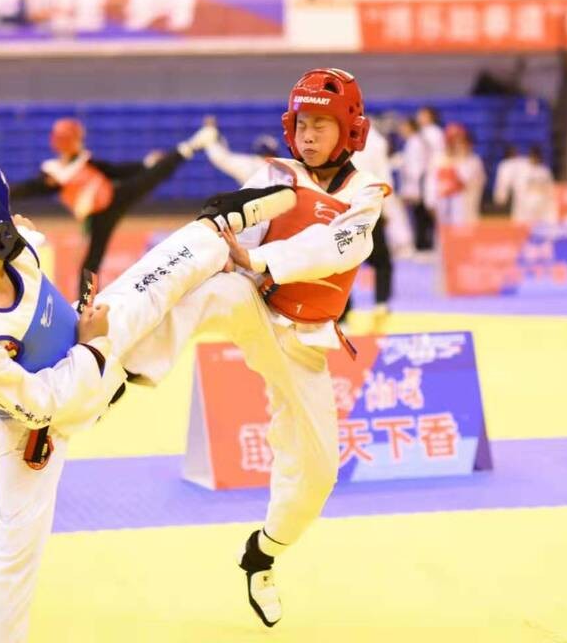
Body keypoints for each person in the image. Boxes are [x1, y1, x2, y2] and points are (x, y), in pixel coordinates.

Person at [0, 156, 296, 643]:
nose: (12, 220)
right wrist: (92, 343)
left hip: (88, 338)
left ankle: (218, 230)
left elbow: (24, 234)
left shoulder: (9, 247)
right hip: (33, 427)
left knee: (157, 280)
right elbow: (47, 405)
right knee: (17, 543)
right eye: (2, 213)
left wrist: (88, 335)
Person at [120, 68, 390, 628]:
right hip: (255, 303)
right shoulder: (276, 175)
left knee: (318, 473)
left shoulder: (365, 192)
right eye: (302, 124)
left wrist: (262, 258)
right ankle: (112, 366)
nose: (309, 135)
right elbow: (238, 235)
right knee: (207, 290)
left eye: (321, 125)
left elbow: (340, 246)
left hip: (304, 343)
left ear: (349, 130)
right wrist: (227, 240)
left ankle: (262, 556)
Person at [197, 116, 396, 327]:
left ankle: (346, 311)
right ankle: (377, 304)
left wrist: (211, 139)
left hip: (290, 217)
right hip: (336, 206)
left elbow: (222, 158)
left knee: (331, 258)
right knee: (348, 261)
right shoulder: (281, 171)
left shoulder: (266, 168)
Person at [12, 117, 210, 298]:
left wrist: (145, 163)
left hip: (115, 198)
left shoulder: (86, 161)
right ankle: (85, 301)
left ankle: (191, 145)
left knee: (152, 175)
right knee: (92, 260)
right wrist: (4, 191)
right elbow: (30, 188)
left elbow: (116, 171)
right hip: (97, 217)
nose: (80, 142)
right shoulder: (54, 174)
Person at [428, 122, 485, 226]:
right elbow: (431, 183)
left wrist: (458, 161)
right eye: (453, 141)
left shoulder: (473, 161)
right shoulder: (438, 159)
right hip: (443, 210)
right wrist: (431, 203)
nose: (457, 145)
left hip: (466, 212)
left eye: (461, 141)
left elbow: (466, 181)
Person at [397, 117, 433, 252]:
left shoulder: (415, 143)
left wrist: (412, 190)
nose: (401, 130)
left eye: (403, 127)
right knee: (419, 215)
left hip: (418, 184)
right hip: (417, 184)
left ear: (410, 127)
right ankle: (421, 243)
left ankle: (423, 245)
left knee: (420, 215)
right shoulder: (413, 142)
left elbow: (415, 168)